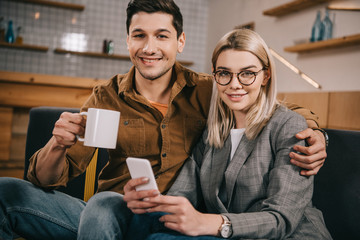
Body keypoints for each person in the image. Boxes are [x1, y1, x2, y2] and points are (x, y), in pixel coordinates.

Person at [0, 0, 326, 239]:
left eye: (162, 36)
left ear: (179, 42)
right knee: (8, 192)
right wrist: (57, 145)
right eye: (139, 35)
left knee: (102, 209)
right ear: (128, 40)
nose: (149, 47)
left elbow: (271, 108)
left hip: (177, 217)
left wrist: (317, 136)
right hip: (113, 212)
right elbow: (45, 180)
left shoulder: (210, 89)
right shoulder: (106, 97)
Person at [122, 28, 332, 239]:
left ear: (265, 76)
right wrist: (152, 202)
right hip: (230, 235)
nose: (234, 84)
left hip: (289, 235)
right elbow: (182, 193)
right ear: (215, 75)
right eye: (224, 73)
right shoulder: (212, 133)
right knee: (142, 222)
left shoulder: (288, 126)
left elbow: (281, 219)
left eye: (247, 73)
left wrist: (213, 222)